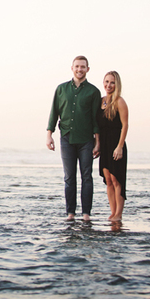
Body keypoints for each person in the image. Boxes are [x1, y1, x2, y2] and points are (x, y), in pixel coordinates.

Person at [46, 56, 101, 221]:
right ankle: (70, 213)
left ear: (87, 69)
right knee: (69, 177)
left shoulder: (93, 91)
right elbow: (54, 112)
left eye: (83, 67)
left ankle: (86, 214)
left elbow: (96, 120)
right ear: (72, 68)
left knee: (87, 176)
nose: (79, 69)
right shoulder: (61, 89)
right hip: (66, 138)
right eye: (77, 66)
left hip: (86, 140)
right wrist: (49, 134)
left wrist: (98, 142)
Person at [98, 71, 129, 222]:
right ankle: (112, 212)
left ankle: (119, 213)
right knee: (108, 180)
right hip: (104, 145)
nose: (108, 85)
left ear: (117, 84)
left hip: (116, 144)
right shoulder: (100, 101)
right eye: (106, 81)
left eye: (112, 82)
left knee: (117, 180)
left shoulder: (119, 101)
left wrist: (120, 147)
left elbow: (125, 125)